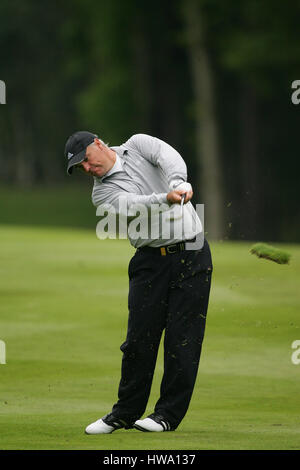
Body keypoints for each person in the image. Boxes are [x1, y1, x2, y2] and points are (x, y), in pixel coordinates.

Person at [65, 131, 213, 433]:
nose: (88, 170)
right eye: (81, 169)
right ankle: (124, 413)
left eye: (87, 162)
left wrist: (177, 182)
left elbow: (167, 155)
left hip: (192, 254)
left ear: (98, 144)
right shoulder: (101, 194)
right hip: (149, 262)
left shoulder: (138, 145)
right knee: (138, 341)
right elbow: (134, 205)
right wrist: (167, 197)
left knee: (183, 339)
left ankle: (166, 416)